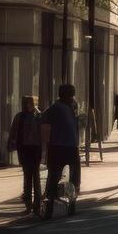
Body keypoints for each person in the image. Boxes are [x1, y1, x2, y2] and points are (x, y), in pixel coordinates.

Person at [39, 84, 82, 218]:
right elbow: (42, 120)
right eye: (70, 95)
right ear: (65, 96)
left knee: (55, 177)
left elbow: (42, 119)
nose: (72, 98)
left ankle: (54, 205)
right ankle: (57, 204)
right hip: (63, 146)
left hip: (61, 146)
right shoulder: (58, 108)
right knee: (69, 176)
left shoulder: (63, 108)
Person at [7, 95, 44, 213]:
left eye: (30, 103)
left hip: (35, 149)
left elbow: (44, 132)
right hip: (24, 149)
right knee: (28, 175)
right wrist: (11, 144)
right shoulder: (20, 116)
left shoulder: (39, 116)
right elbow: (13, 131)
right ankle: (28, 204)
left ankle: (37, 204)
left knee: (35, 176)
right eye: (25, 103)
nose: (27, 106)